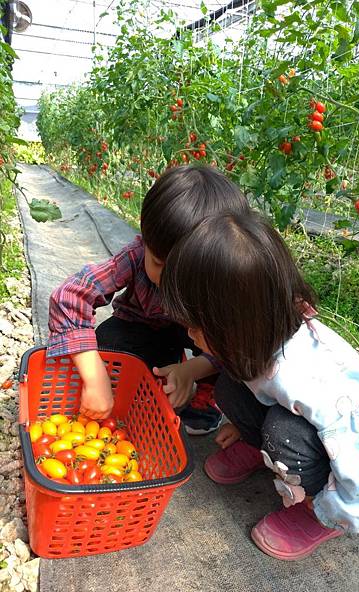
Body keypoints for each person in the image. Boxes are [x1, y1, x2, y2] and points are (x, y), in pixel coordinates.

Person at [160, 211, 359, 560]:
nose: (189, 334)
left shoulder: (310, 381)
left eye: (196, 326)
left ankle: (314, 513)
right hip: (297, 416)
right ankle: (264, 450)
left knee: (284, 432)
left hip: (346, 458)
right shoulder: (256, 339)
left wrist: (338, 509)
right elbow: (251, 383)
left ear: (236, 326)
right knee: (228, 387)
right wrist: (246, 433)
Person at [47, 165, 249, 434]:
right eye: (159, 264)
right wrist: (94, 376)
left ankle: (204, 397)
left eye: (187, 279)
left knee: (229, 352)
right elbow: (70, 296)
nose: (171, 285)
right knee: (108, 341)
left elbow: (233, 346)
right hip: (143, 324)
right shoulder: (134, 256)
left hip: (199, 334)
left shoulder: (224, 283)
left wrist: (191, 371)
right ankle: (150, 373)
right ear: (145, 239)